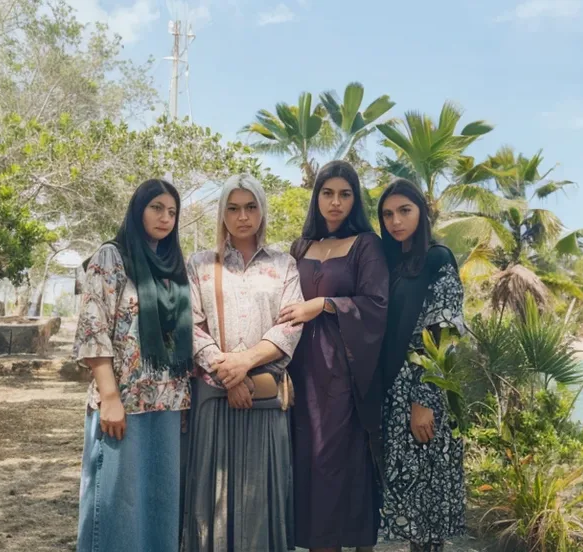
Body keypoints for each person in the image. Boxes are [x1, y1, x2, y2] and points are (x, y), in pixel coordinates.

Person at [181, 174, 304, 552]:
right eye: (233, 208)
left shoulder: (284, 265)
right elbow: (189, 325)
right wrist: (228, 375)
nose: (243, 216)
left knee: (261, 497)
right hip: (216, 400)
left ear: (262, 210)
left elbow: (291, 325)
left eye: (251, 207)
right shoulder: (200, 264)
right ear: (221, 214)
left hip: (264, 400)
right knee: (211, 500)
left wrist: (246, 367)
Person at [73, 179, 193, 552]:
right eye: (156, 207)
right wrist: (109, 395)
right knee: (114, 505)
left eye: (172, 212)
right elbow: (94, 327)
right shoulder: (111, 256)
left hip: (168, 404)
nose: (165, 217)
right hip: (122, 402)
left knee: (159, 504)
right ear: (137, 208)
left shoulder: (172, 266)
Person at [282, 160, 389, 552]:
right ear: (317, 197)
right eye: (328, 193)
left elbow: (377, 305)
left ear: (355, 199)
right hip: (300, 371)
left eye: (345, 194)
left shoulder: (367, 245)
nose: (335, 202)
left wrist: (324, 304)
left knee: (336, 463)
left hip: (343, 373)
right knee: (303, 460)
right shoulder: (300, 247)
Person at [377, 179, 466, 552]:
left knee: (427, 507)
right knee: (408, 506)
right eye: (387, 214)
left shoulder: (437, 258)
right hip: (393, 395)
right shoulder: (392, 263)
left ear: (421, 213)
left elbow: (442, 333)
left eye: (404, 211)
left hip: (421, 392)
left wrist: (423, 400)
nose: (395, 221)